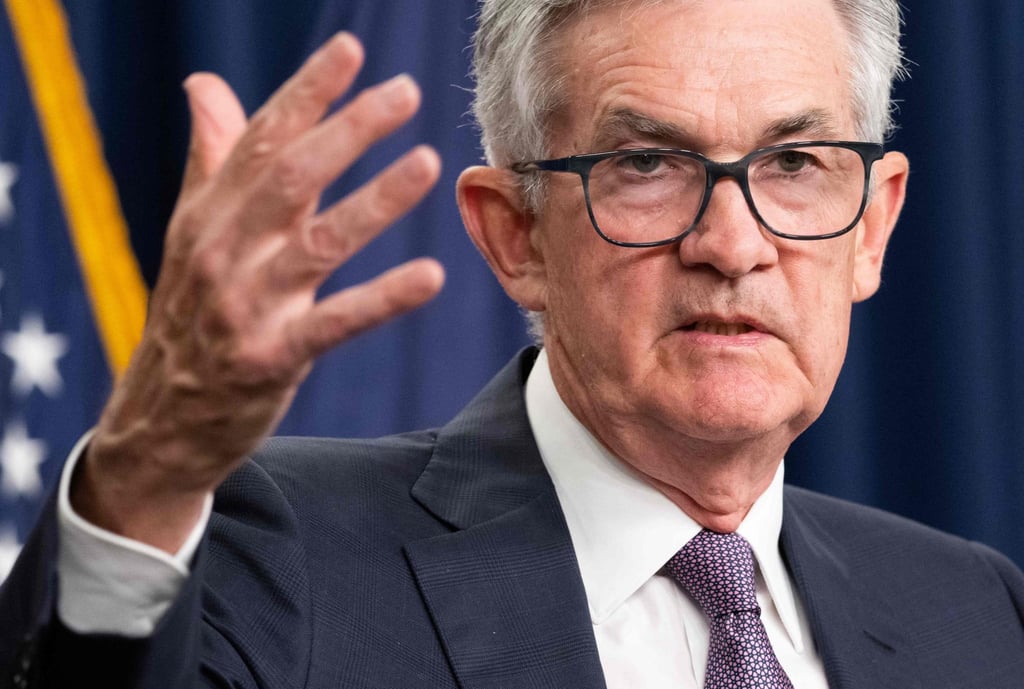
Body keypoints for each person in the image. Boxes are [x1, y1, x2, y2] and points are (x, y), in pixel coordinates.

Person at [2, 0, 1024, 686]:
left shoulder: (978, 612)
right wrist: (148, 467)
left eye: (794, 163)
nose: (731, 243)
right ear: (515, 234)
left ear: (872, 227)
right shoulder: (272, 556)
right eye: (647, 164)